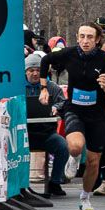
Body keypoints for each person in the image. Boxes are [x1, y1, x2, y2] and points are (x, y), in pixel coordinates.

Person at [38, 23, 105, 210]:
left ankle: (85, 197)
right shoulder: (69, 53)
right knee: (75, 146)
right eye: (82, 36)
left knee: (93, 161)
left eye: (90, 37)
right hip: (74, 109)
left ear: (97, 39)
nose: (85, 41)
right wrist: (43, 88)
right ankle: (73, 157)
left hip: (97, 114)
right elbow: (45, 60)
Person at [23, 53, 68, 197]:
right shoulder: (17, 87)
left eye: (38, 70)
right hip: (24, 135)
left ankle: (55, 183)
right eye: (31, 70)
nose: (35, 73)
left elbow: (63, 102)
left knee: (62, 147)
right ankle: (21, 186)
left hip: (47, 133)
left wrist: (56, 107)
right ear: (25, 71)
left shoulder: (52, 87)